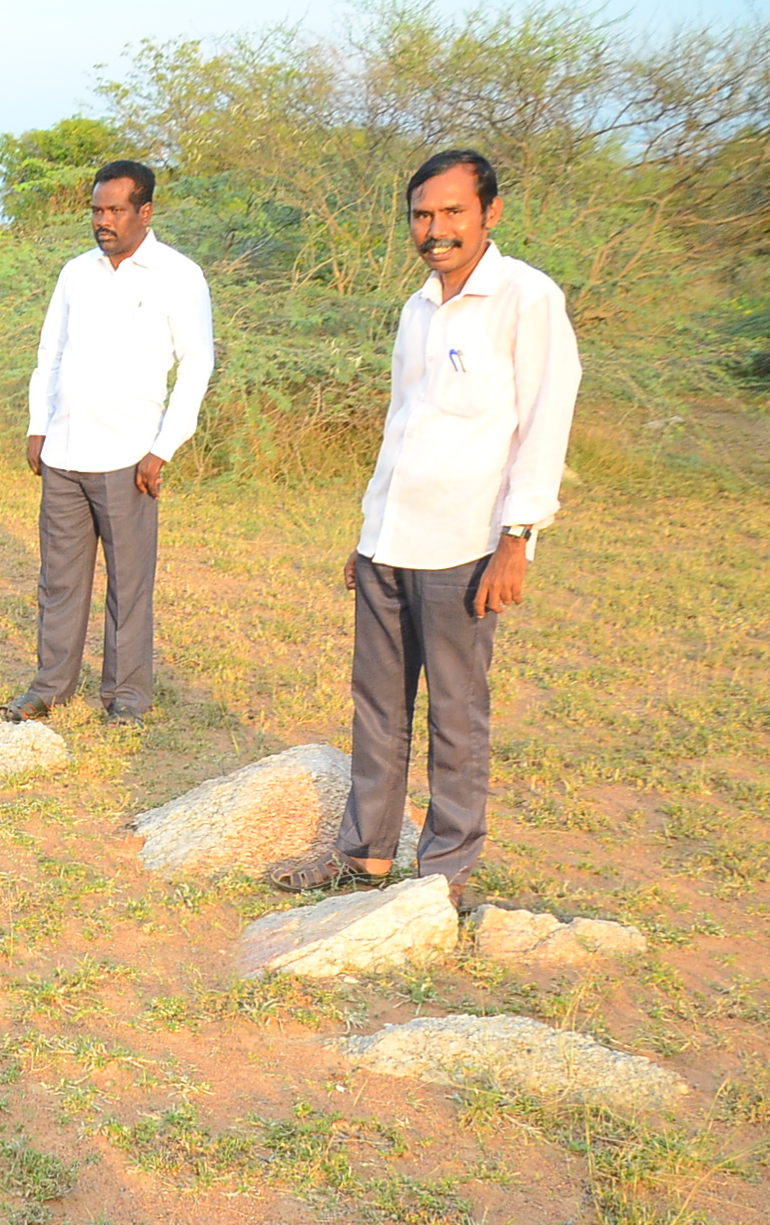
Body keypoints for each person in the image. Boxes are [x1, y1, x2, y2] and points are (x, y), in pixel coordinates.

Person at [270, 149, 579, 902]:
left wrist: (520, 538)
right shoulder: (417, 308)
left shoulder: (525, 300)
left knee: (456, 715)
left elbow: (545, 424)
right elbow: (402, 427)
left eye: (452, 213)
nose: (435, 230)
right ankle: (365, 855)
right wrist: (369, 529)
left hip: (465, 546)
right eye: (422, 215)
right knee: (376, 708)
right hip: (390, 543)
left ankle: (444, 875)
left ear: (490, 214)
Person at [2, 159, 213, 726]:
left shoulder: (178, 275)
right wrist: (38, 426)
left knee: (129, 584)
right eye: (97, 209)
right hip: (66, 452)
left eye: (116, 210)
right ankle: (50, 686)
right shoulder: (77, 273)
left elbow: (197, 364)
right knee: (60, 581)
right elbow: (50, 353)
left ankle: (125, 697)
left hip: (130, 456)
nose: (104, 220)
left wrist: (163, 448)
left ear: (145, 212)